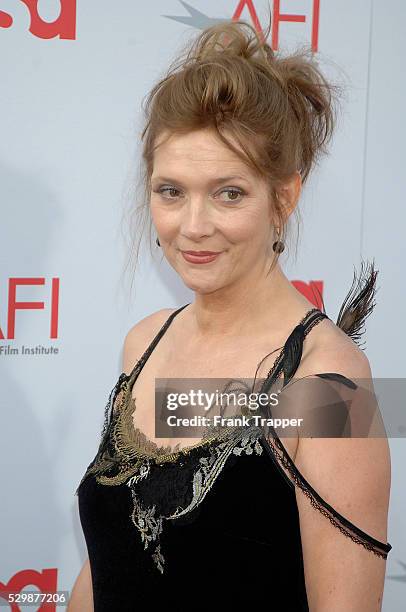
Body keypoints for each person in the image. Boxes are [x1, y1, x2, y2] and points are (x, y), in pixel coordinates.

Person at [69, 18, 392, 611]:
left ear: (284, 198)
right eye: (171, 191)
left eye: (229, 193)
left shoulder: (325, 387)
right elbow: (113, 558)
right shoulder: (145, 345)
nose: (193, 226)